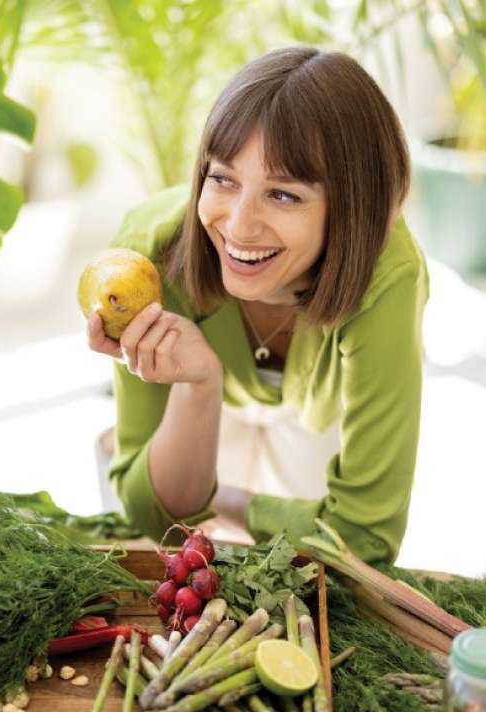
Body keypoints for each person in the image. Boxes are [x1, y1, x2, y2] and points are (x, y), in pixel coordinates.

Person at [87, 46, 428, 564]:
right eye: (223, 179)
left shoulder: (388, 275)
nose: (240, 226)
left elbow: (363, 540)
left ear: (352, 207)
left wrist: (229, 504)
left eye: (284, 195)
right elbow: (151, 517)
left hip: (317, 410)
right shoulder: (149, 257)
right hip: (215, 400)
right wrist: (197, 385)